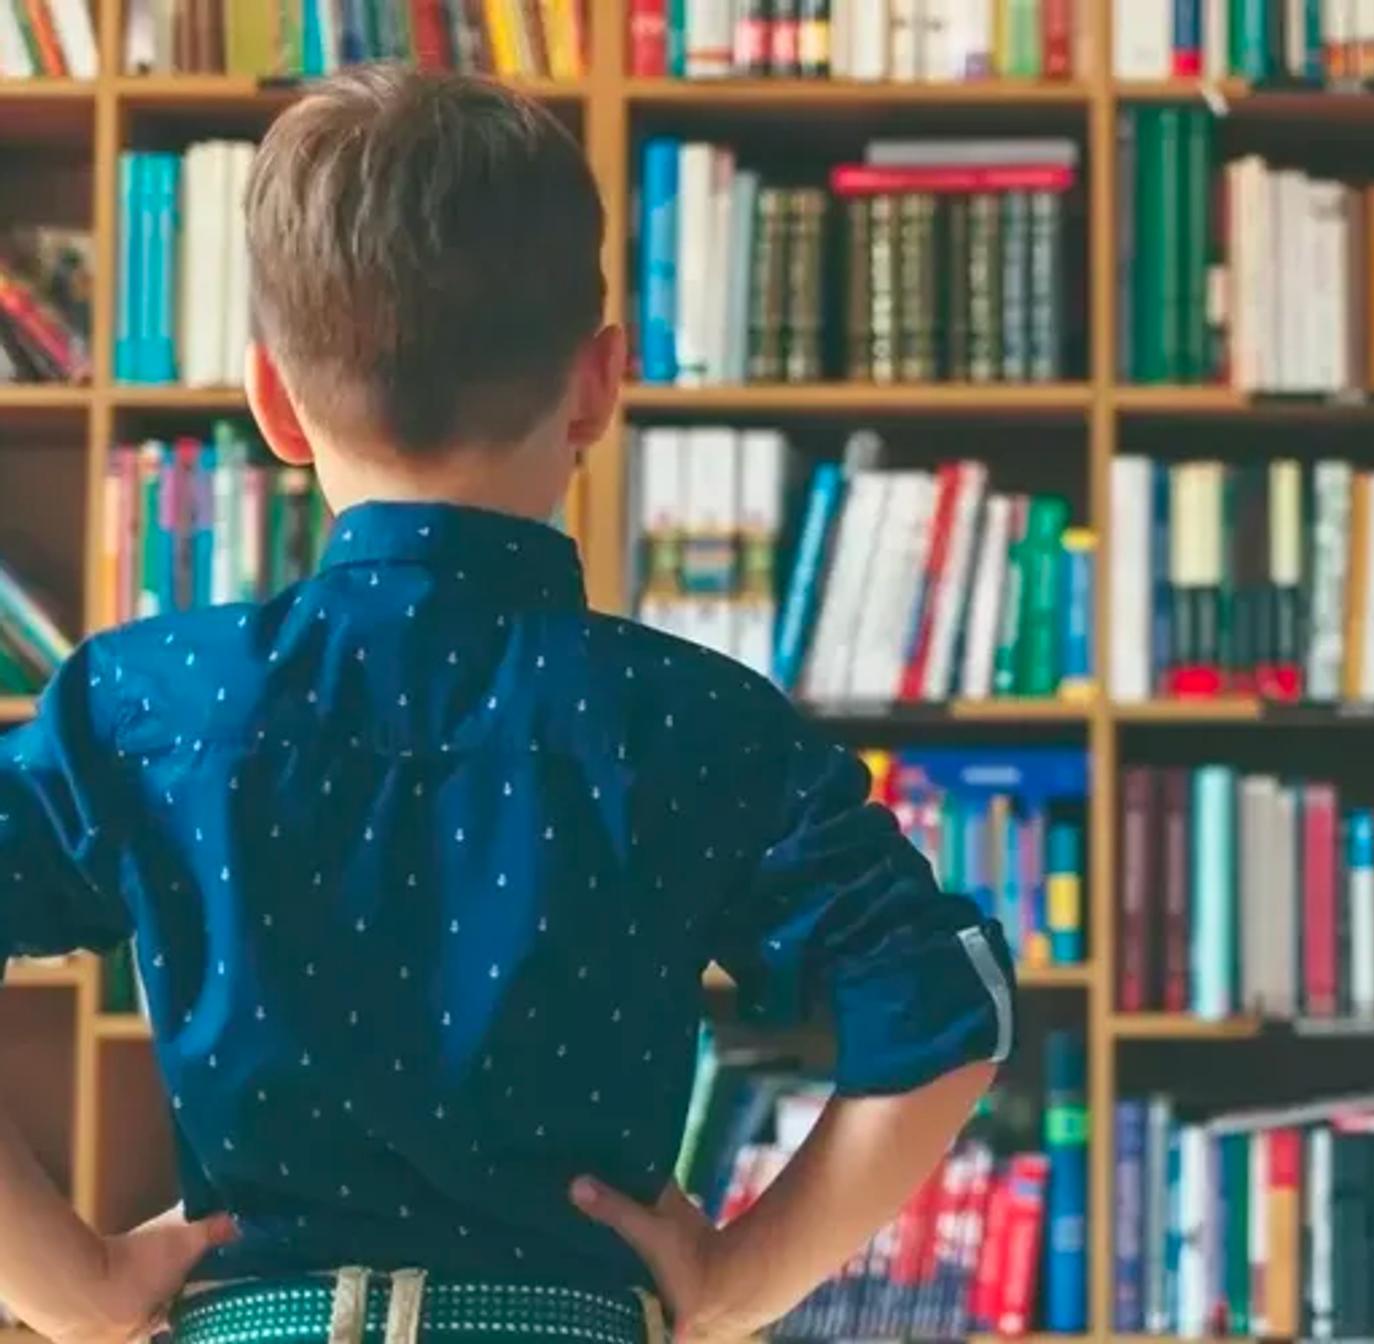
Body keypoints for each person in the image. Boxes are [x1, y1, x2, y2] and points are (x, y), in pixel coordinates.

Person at [0, 65, 1015, 1344]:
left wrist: (72, 1292)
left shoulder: (153, 706)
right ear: (596, 386)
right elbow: (947, 1005)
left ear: (273, 404)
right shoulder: (689, 723)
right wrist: (743, 1280)